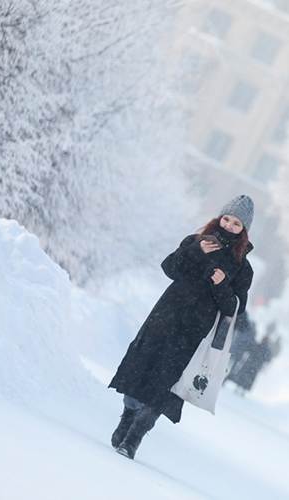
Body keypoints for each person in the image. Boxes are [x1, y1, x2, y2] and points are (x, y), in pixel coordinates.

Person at [108, 195, 255, 459]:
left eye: (237, 224)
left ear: (244, 230)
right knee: (139, 370)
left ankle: (135, 437)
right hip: (165, 318)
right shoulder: (195, 242)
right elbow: (169, 268)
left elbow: (236, 308)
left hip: (194, 334)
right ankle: (128, 414)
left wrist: (223, 286)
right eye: (227, 219)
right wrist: (196, 252)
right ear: (219, 218)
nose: (230, 226)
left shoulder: (243, 267)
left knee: (167, 384)